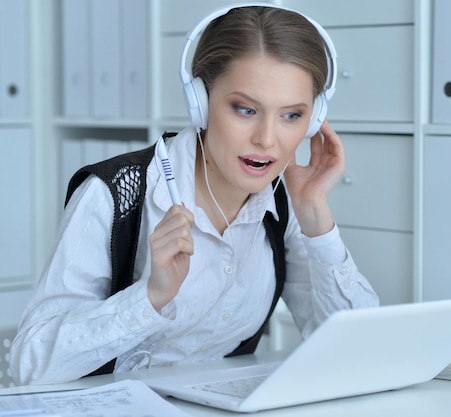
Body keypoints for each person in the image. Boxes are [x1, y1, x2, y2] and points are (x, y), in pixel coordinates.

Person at [10, 4, 379, 385]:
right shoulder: (116, 195)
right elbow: (29, 367)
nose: (267, 140)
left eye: (291, 116)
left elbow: (362, 352)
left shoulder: (285, 205)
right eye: (245, 109)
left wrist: (317, 217)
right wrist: (150, 296)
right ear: (200, 103)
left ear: (314, 119)